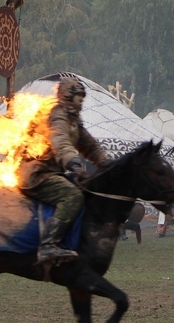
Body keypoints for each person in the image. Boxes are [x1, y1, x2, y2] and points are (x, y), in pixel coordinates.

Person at [17, 78, 107, 265]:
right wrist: (73, 163)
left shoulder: (74, 120)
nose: (81, 100)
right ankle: (48, 245)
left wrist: (109, 164)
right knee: (72, 196)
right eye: (77, 96)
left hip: (52, 172)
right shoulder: (57, 116)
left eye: (83, 96)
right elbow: (60, 142)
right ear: (67, 96)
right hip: (36, 173)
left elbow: (91, 147)